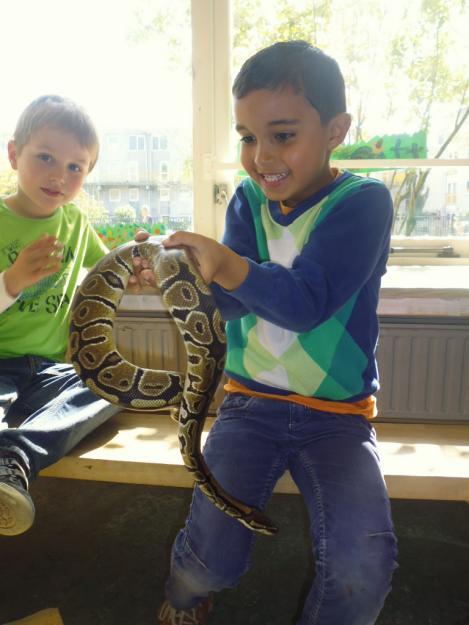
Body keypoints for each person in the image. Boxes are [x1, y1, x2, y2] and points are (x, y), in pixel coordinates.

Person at [148, 41, 398, 625]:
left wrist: (227, 263)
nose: (261, 156)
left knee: (363, 569)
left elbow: (306, 301)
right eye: (246, 136)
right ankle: (188, 598)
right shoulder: (247, 201)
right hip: (248, 407)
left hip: (338, 416)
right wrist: (180, 272)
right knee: (208, 558)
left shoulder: (364, 204)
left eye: (282, 135)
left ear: (335, 129)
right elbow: (231, 305)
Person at [0, 95, 142, 537]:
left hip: (51, 372)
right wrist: (12, 281)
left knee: (112, 386)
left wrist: (136, 262)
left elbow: (107, 266)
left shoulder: (75, 222)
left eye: (76, 167)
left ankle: (15, 456)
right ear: (13, 154)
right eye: (45, 157)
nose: (59, 176)